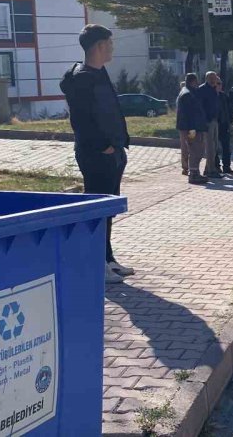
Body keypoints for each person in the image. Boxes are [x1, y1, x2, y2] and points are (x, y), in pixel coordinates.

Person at [59, 24, 135, 284]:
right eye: (110, 43)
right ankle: (95, 264)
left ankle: (108, 259)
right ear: (100, 45)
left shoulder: (99, 73)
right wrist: (104, 146)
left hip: (113, 152)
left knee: (108, 209)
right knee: (97, 210)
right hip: (96, 154)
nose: (113, 47)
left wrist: (119, 146)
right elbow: (81, 121)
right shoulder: (82, 78)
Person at [176, 73, 209, 185]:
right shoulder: (188, 94)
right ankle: (194, 174)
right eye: (196, 81)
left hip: (192, 126)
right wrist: (192, 129)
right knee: (196, 150)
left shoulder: (186, 92)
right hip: (193, 128)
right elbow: (190, 114)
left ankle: (195, 172)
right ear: (193, 81)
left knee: (195, 150)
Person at [196, 71, 222, 179]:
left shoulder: (214, 89)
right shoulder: (202, 89)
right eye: (211, 78)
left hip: (215, 120)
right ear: (206, 78)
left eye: (215, 78)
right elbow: (199, 107)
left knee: (215, 146)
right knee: (210, 147)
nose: (213, 80)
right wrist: (205, 120)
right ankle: (211, 171)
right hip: (207, 122)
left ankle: (208, 169)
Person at [214, 79, 233, 175]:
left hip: (224, 124)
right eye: (217, 83)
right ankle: (216, 166)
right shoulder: (212, 96)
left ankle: (226, 166)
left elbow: (230, 109)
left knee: (226, 147)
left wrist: (231, 120)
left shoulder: (224, 96)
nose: (220, 86)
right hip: (215, 124)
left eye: (220, 83)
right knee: (215, 147)